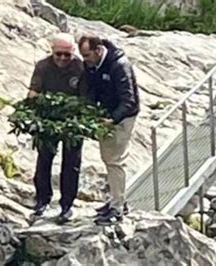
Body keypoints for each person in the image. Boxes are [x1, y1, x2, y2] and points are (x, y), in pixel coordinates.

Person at [78, 34, 139, 225]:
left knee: (115, 161)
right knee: (108, 158)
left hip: (121, 117)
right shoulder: (93, 64)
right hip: (106, 114)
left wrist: (112, 119)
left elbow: (128, 100)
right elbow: (91, 88)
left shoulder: (119, 65)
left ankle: (117, 208)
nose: (84, 60)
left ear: (97, 50)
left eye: (87, 55)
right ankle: (116, 199)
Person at [28, 32, 88, 224]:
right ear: (52, 51)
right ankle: (42, 200)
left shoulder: (81, 68)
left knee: (71, 164)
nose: (62, 58)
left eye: (67, 55)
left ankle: (67, 204)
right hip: (48, 119)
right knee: (44, 159)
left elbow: (87, 96)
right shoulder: (43, 67)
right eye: (59, 54)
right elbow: (34, 91)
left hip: (73, 121)